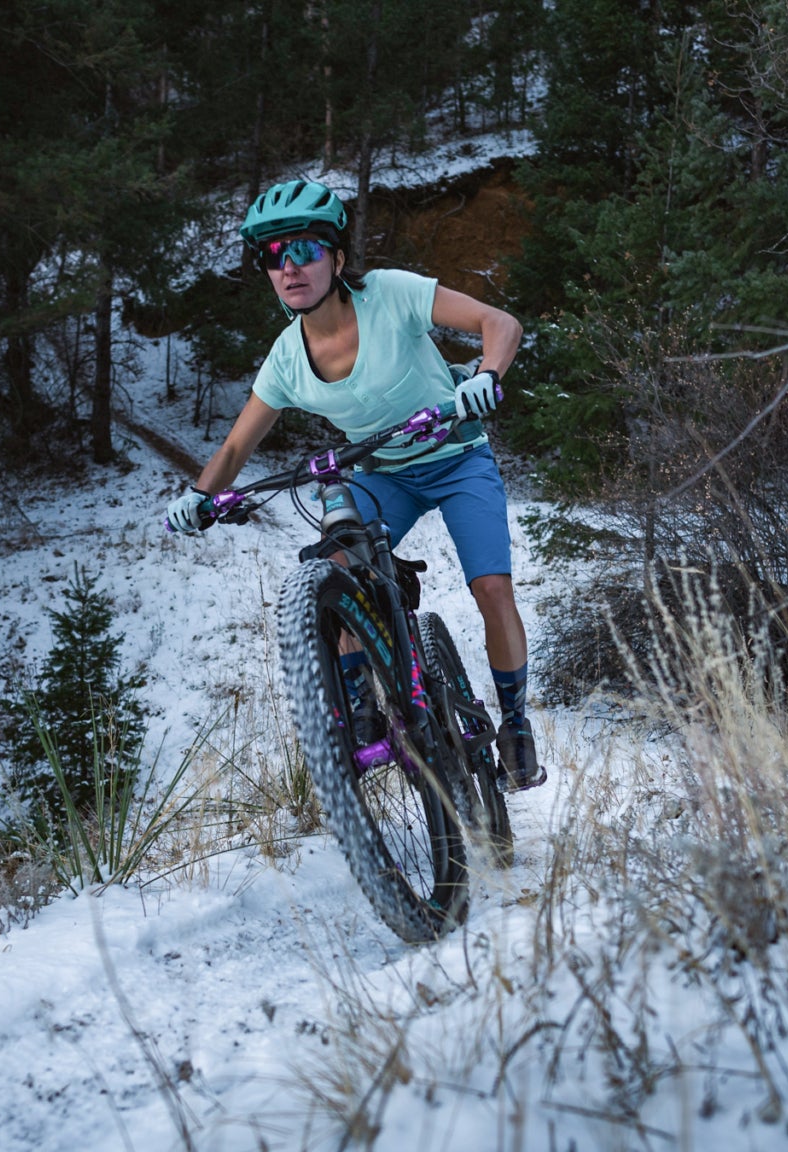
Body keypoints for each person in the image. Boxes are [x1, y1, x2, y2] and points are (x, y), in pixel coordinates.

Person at [164, 178, 544, 789]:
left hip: (457, 456)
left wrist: (487, 375)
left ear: (338, 259)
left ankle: (516, 723)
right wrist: (199, 496)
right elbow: (237, 444)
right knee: (338, 563)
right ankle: (364, 708)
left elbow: (498, 321)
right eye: (273, 256)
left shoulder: (391, 295)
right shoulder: (287, 358)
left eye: (305, 250)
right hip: (382, 472)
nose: (289, 268)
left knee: (492, 588)